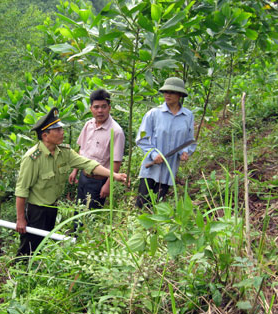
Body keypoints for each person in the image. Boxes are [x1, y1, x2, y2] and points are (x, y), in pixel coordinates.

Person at [15, 107, 128, 256]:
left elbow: (89, 164)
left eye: (61, 129)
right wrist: (20, 218)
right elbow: (21, 190)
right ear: (45, 135)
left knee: (43, 243)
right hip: (36, 210)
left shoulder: (64, 152)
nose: (62, 132)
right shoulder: (33, 158)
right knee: (29, 246)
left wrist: (114, 175)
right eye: (57, 130)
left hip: (52, 207)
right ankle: (20, 273)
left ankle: (35, 272)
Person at [135, 77, 197, 208]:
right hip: (151, 169)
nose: (167, 95)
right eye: (165, 91)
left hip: (170, 168)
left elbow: (190, 140)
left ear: (180, 94)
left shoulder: (188, 116)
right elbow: (141, 139)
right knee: (142, 205)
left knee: (159, 206)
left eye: (172, 92)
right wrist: (153, 154)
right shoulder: (154, 113)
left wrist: (185, 152)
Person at [69, 89, 125, 210]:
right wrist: (75, 171)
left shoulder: (116, 131)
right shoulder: (88, 125)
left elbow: (116, 162)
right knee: (78, 211)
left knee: (90, 216)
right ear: (91, 109)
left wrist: (108, 185)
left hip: (98, 182)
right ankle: (75, 229)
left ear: (109, 107)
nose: (100, 111)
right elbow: (81, 150)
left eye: (103, 107)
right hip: (83, 177)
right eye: (96, 107)